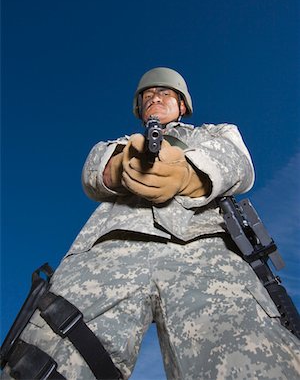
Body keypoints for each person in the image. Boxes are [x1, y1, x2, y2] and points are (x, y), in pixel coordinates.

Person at [2, 67, 300, 379]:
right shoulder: (119, 144)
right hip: (110, 253)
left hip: (207, 251)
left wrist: (188, 174)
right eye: (147, 96)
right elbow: (94, 171)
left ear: (182, 105)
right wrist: (120, 167)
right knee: (46, 358)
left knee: (252, 358)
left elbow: (237, 162)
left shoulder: (213, 134)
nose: (154, 98)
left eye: (164, 93)